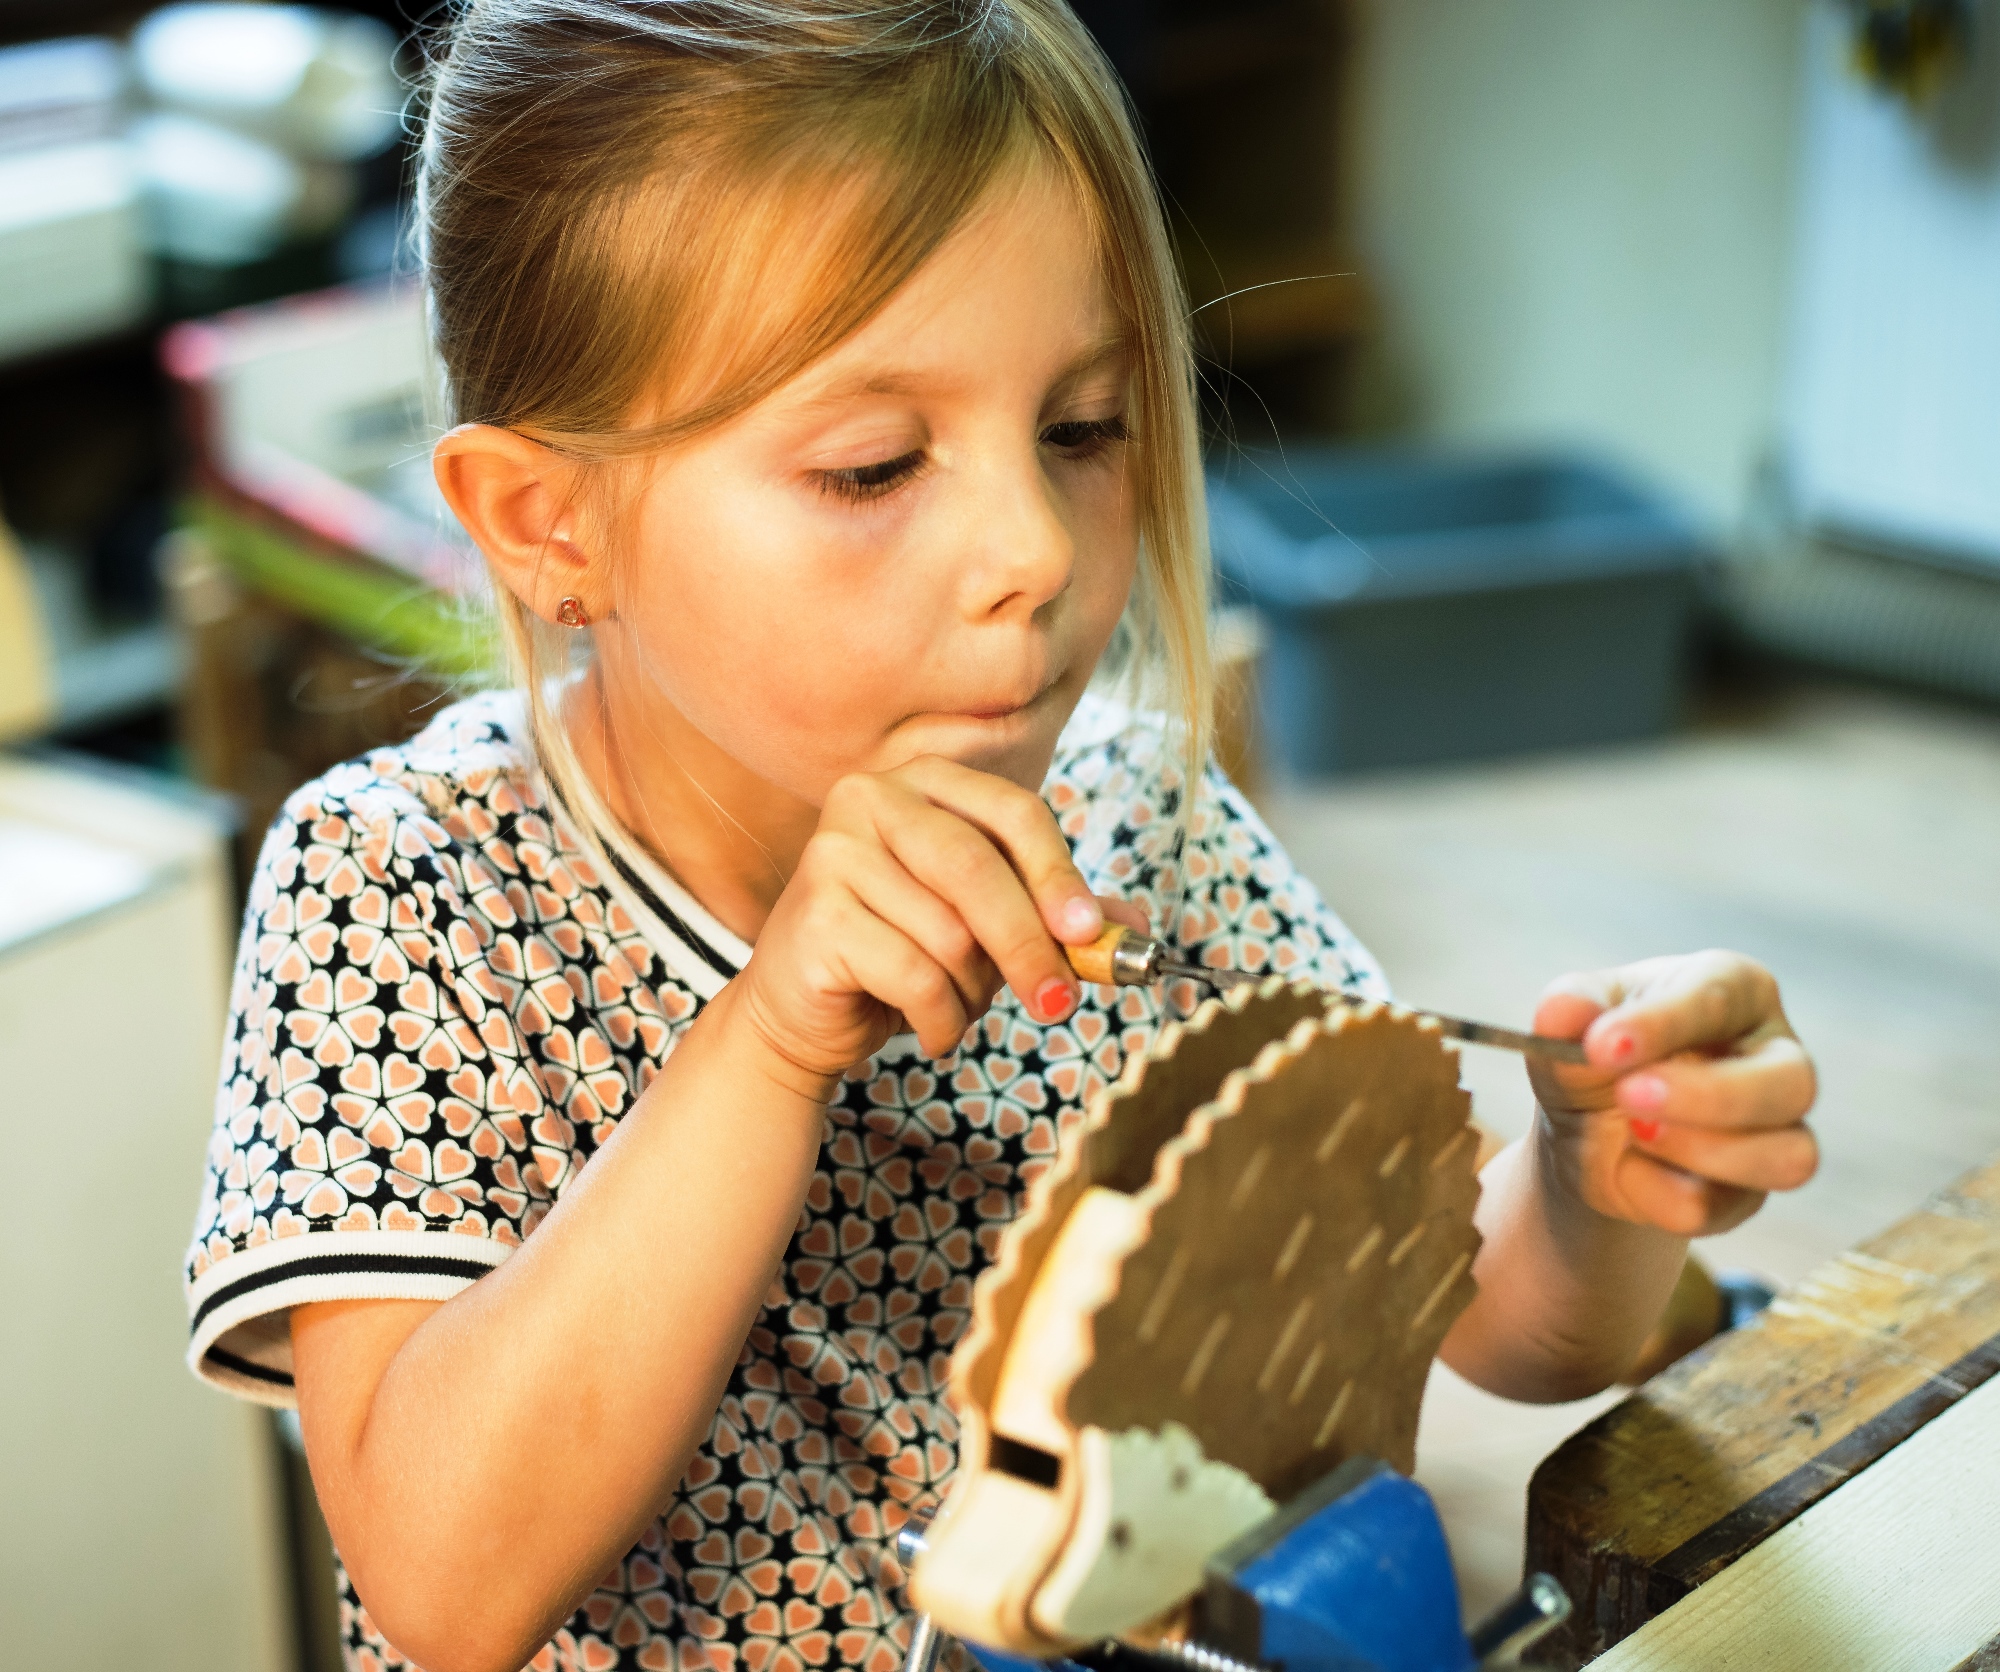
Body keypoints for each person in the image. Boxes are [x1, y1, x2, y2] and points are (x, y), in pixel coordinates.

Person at [183, 5, 1819, 1670]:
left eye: (1083, 428)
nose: (1034, 548)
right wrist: (764, 1048)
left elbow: (1481, 1312)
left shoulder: (1131, 819)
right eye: (875, 464)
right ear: (552, 526)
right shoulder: (407, 888)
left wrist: (1605, 1186)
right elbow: (443, 1582)